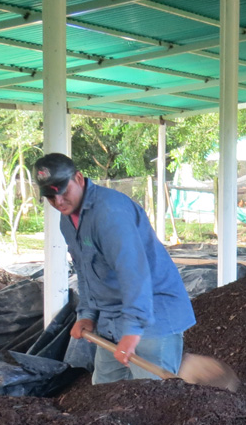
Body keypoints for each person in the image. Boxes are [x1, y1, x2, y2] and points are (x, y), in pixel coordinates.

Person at [33, 152, 196, 385]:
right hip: (112, 319)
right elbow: (83, 269)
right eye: (50, 196)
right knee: (104, 393)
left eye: (63, 191)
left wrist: (132, 330)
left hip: (151, 316)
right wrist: (87, 314)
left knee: (152, 398)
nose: (58, 201)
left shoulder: (110, 212)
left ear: (78, 179)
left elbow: (133, 272)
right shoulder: (67, 220)